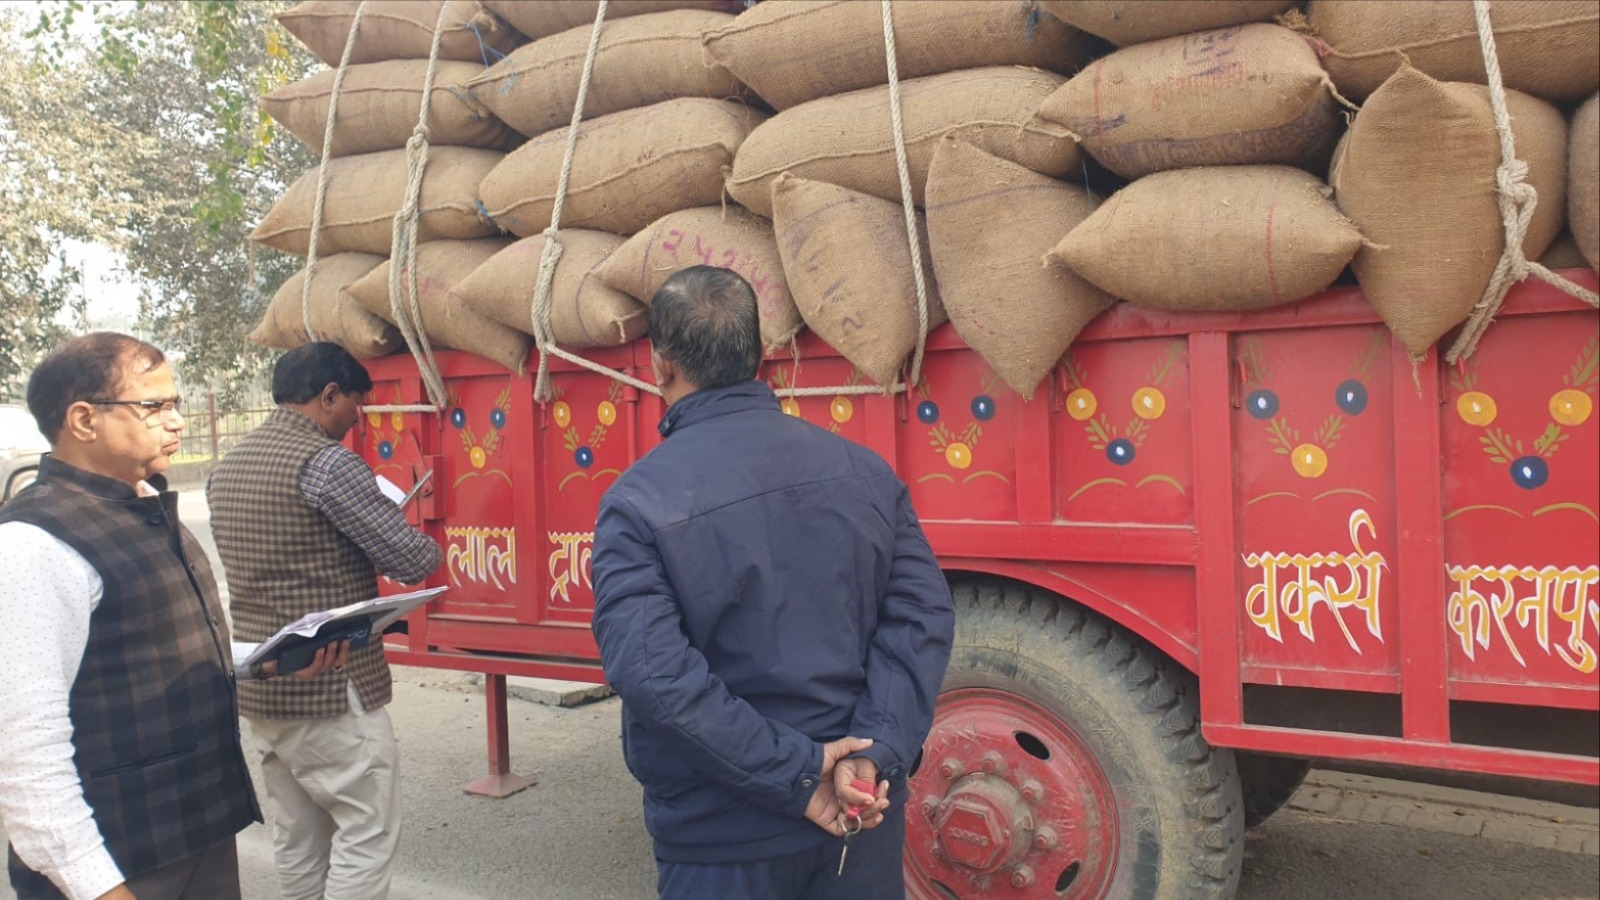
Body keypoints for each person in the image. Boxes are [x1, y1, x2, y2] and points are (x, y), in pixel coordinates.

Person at [591, 267, 956, 899]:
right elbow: (921, 620)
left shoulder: (638, 502)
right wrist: (873, 755)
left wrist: (796, 772)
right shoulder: (865, 473)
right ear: (759, 356)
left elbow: (653, 676)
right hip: (858, 816)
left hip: (722, 837)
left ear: (660, 365)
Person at [0, 332, 343, 900]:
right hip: (117, 863)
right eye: (153, 406)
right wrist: (99, 887)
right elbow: (27, 756)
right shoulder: (34, 543)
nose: (177, 421)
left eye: (176, 404)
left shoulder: (141, 504)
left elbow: (150, 652)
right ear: (84, 419)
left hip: (196, 830)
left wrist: (267, 659)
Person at [206, 342, 442, 900]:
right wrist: (393, 520)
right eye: (353, 405)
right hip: (332, 690)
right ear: (328, 394)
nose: (355, 419)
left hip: (265, 694)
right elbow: (411, 560)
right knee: (367, 830)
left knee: (298, 841)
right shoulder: (328, 463)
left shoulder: (227, 468)